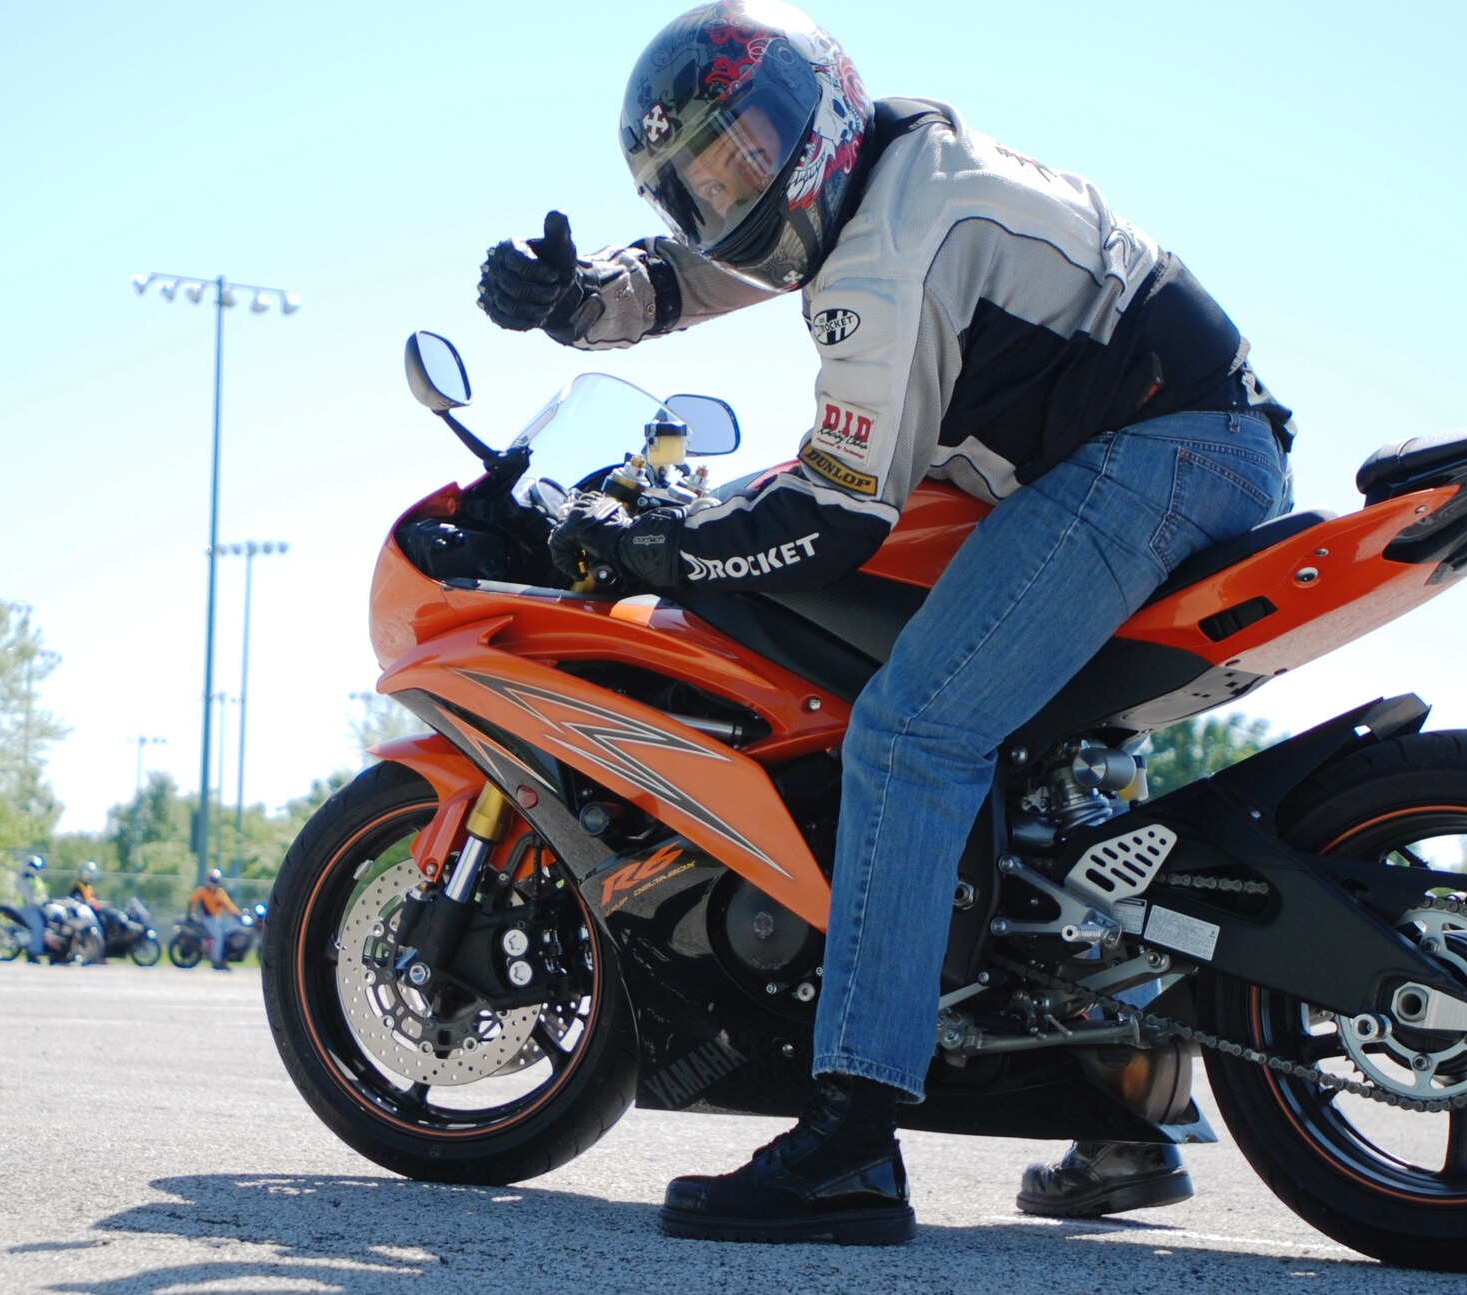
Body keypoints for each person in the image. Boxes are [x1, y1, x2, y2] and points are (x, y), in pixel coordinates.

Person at [479, 0, 1292, 1245]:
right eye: (703, 177)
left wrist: (657, 547)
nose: (732, 187)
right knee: (1039, 766)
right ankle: (1122, 1108)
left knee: (911, 734)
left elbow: (836, 513)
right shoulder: (880, 173)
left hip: (1158, 452)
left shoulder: (888, 249)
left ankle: (849, 1142)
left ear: (815, 108)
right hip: (1167, 442)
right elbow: (720, 265)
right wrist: (574, 300)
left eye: (743, 150)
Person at [185, 869, 241, 971]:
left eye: (216, 881)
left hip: (217, 919)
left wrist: (237, 914)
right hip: (207, 919)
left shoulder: (220, 892)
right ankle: (216, 960)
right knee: (218, 936)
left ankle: (224, 957)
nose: (214, 884)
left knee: (229, 934)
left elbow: (228, 904)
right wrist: (190, 912)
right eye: (213, 881)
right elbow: (192, 900)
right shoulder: (202, 891)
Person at [16, 854, 50, 964]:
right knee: (38, 927)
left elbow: (43, 895)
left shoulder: (37, 880)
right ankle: (33, 953)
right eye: (32, 866)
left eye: (35, 867)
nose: (34, 869)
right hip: (26, 909)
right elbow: (29, 898)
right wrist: (39, 903)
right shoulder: (23, 879)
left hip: (37, 908)